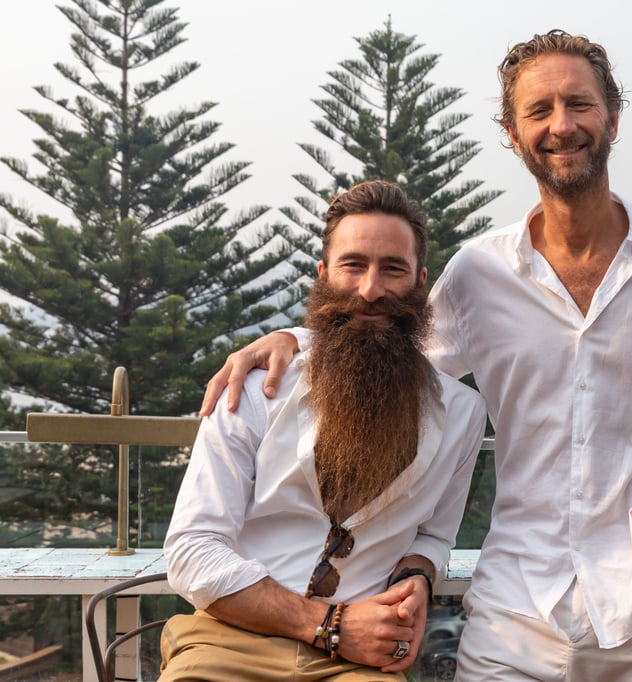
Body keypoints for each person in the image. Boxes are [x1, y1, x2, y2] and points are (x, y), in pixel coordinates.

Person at [201, 30, 632, 681]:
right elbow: (391, 354)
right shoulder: (479, 273)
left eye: (578, 104)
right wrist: (296, 343)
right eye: (539, 110)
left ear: (612, 116)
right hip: (514, 608)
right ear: (511, 131)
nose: (562, 125)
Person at [161, 180, 487, 681]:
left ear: (419, 283)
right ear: (323, 276)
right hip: (228, 641)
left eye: (392, 270)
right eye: (353, 265)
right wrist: (329, 625)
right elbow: (190, 549)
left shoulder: (463, 413)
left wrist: (420, 575)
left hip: (356, 664)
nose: (370, 289)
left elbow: (435, 536)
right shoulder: (254, 388)